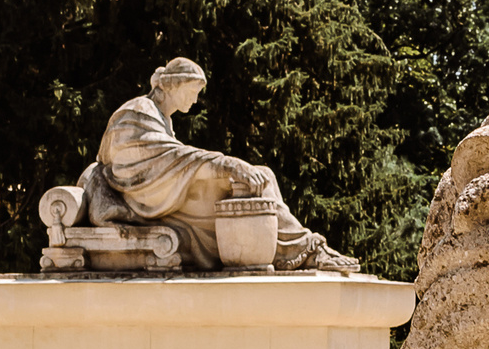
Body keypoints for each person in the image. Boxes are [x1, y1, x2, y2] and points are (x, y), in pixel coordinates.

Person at [83, 58, 359, 272]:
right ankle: (304, 250)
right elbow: (162, 161)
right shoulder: (137, 112)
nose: (194, 99)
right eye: (192, 91)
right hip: (147, 200)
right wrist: (225, 165)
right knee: (248, 183)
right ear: (173, 85)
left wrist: (222, 166)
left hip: (166, 193)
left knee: (262, 175)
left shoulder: (162, 119)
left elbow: (174, 160)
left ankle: (300, 247)